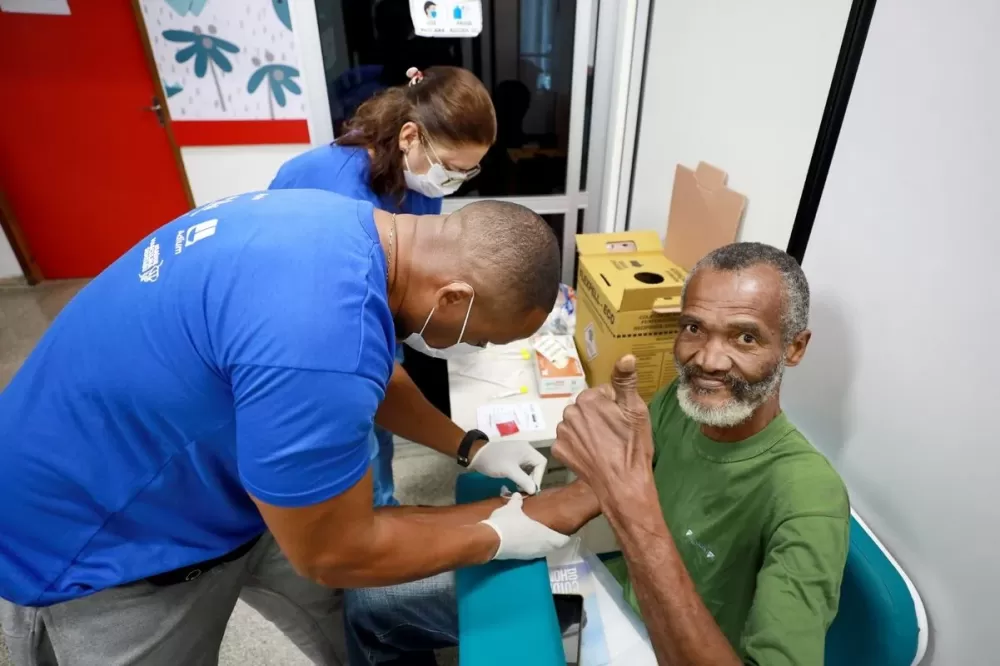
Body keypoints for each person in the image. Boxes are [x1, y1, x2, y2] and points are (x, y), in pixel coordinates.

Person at [0, 190, 599, 666]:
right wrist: (499, 530)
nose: (474, 348)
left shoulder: (348, 231)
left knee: (339, 601)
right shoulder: (318, 337)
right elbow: (334, 550)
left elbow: (373, 378)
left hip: (212, 477)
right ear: (453, 297)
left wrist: (470, 446)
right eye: (483, 337)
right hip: (99, 537)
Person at [346, 243, 849, 666]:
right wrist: (474, 515)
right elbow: (597, 493)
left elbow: (631, 503)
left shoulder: (809, 497)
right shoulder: (683, 402)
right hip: (618, 592)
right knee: (371, 598)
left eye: (745, 337)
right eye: (694, 328)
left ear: (795, 348)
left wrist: (631, 510)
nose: (709, 360)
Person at [271, 65, 496, 508]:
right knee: (352, 436)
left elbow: (415, 256)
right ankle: (365, 522)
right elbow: (344, 326)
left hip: (362, 313)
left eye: (467, 173)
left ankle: (382, 502)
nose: (451, 181)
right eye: (451, 168)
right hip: (309, 327)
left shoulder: (419, 176)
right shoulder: (339, 195)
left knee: (381, 426)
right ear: (409, 135)